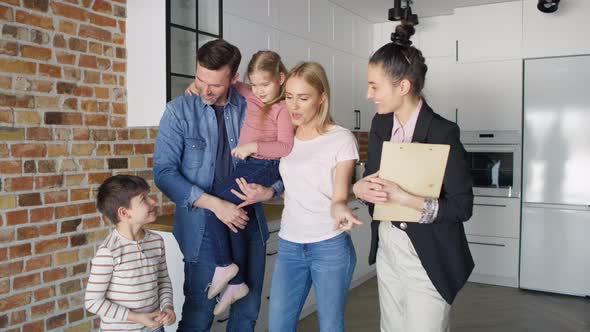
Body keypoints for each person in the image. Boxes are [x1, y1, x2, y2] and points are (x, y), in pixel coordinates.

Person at [353, 23, 474, 332]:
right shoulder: (381, 124)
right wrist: (361, 188)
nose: (368, 95)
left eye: (375, 86)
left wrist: (405, 199)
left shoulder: (443, 131)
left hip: (429, 252)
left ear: (403, 87)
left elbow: (461, 207)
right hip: (388, 246)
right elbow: (371, 179)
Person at [153, 39, 281, 331]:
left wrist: (271, 189)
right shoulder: (178, 112)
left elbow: (281, 156)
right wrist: (216, 205)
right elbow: (163, 173)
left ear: (234, 79)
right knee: (199, 316)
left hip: (249, 224)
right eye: (200, 79)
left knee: (247, 313)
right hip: (202, 230)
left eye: (215, 84)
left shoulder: (254, 107)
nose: (204, 90)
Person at [232, 62, 362, 332]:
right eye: (289, 97)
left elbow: (339, 194)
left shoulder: (341, 138)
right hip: (290, 245)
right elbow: (289, 182)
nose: (294, 106)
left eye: (303, 98)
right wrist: (269, 192)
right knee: (279, 326)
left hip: (328, 245)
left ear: (322, 97)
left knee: (330, 325)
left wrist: (340, 208)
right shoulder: (284, 137)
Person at [185, 50, 294, 315]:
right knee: (229, 217)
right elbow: (226, 80)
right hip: (249, 165)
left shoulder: (282, 109)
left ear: (281, 78)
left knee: (214, 205)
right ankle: (235, 282)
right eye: (254, 84)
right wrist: (195, 85)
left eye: (265, 85)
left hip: (263, 166)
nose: (258, 91)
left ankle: (226, 267)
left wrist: (252, 146)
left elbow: (286, 146)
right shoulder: (250, 93)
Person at [85, 175, 176, 332]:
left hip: (154, 328)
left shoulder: (156, 241)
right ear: (124, 213)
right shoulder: (108, 252)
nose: (153, 201)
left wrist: (168, 307)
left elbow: (163, 280)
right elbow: (93, 302)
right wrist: (136, 317)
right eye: (144, 199)